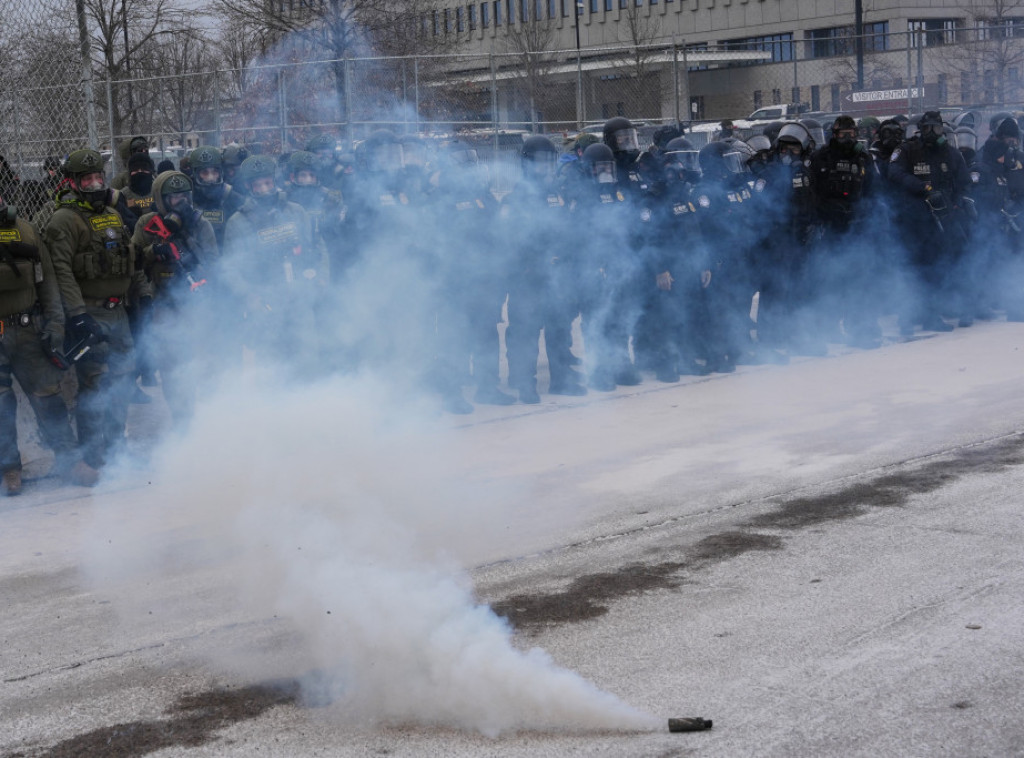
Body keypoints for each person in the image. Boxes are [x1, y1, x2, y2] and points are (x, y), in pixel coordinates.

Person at [43, 148, 151, 473]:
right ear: (72, 182)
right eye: (86, 178)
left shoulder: (113, 215)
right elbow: (60, 270)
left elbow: (128, 258)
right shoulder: (64, 220)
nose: (94, 182)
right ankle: (93, 458)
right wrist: (77, 315)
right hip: (91, 316)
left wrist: (142, 295)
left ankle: (117, 450)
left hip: (119, 315)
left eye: (97, 176)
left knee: (121, 384)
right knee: (94, 388)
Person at [0, 196, 90, 493]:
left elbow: (48, 282)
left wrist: (55, 323)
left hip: (27, 332)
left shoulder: (27, 232)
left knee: (48, 399)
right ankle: (10, 470)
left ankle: (70, 460)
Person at [502, 136, 586, 403]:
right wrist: (525, 266)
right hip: (528, 275)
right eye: (541, 163)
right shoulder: (516, 198)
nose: (547, 168)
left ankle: (560, 379)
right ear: (527, 164)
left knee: (559, 327)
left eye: (550, 163)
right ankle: (525, 382)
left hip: (556, 274)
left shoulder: (556, 194)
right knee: (526, 330)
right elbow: (509, 240)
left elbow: (566, 230)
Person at [132, 171, 218, 426]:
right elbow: (133, 261)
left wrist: (192, 260)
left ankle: (209, 418)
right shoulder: (147, 223)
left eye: (184, 195)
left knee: (201, 363)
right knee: (170, 365)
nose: (180, 201)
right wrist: (153, 251)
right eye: (173, 197)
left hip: (195, 302)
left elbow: (214, 263)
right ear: (160, 199)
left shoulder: (200, 223)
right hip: (163, 303)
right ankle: (182, 420)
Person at [221, 155, 320, 374]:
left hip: (298, 298)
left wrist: (314, 282)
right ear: (249, 187)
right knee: (273, 363)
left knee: (307, 357)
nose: (265, 189)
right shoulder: (238, 222)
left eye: (268, 182)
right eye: (259, 185)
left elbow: (313, 249)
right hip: (265, 302)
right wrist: (249, 295)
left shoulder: (296, 212)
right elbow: (230, 269)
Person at [888, 110, 971, 333]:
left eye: (936, 128)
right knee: (913, 268)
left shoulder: (951, 153)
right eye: (927, 128)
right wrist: (922, 187)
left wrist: (955, 203)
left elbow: (963, 182)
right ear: (920, 129)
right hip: (913, 218)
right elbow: (894, 172)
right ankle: (909, 317)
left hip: (942, 218)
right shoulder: (908, 150)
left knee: (938, 267)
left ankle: (933, 312)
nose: (932, 133)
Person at [809, 115, 879, 348]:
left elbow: (873, 191)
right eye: (843, 135)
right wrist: (823, 213)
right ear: (834, 135)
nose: (848, 139)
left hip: (856, 226)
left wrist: (866, 215)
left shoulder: (863, 157)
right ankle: (827, 328)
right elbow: (811, 193)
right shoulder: (821, 157)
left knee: (859, 279)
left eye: (852, 134)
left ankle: (859, 326)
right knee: (831, 279)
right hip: (830, 226)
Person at [189, 145, 245, 249]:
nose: (211, 178)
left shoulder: (234, 198)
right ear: (195, 174)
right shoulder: (188, 200)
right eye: (204, 173)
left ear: (220, 173)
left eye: (214, 172)